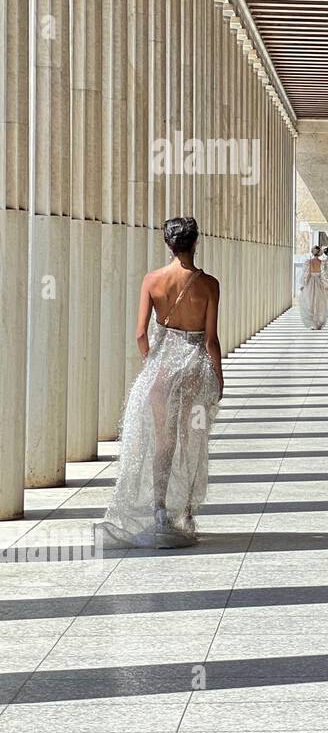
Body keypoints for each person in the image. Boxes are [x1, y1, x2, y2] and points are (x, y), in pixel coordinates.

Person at [99, 217, 222, 549]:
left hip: (163, 368)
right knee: (190, 439)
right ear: (196, 243)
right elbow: (211, 340)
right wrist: (219, 377)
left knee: (163, 441)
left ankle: (158, 510)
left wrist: (151, 364)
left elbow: (140, 333)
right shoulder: (209, 284)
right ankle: (186, 512)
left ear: (168, 244)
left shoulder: (152, 280)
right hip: (195, 367)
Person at [298, 245, 328, 330]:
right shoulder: (322, 263)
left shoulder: (308, 263)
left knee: (310, 303)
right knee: (319, 303)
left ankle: (312, 323)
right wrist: (327, 286)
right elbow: (324, 276)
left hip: (310, 284)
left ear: (312, 252)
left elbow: (305, 275)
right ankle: (318, 322)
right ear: (319, 253)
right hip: (319, 284)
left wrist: (302, 285)